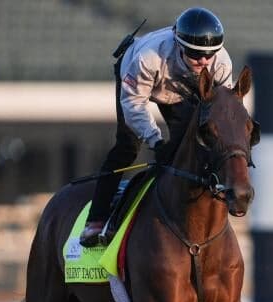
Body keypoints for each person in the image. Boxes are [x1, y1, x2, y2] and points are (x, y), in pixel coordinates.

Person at [80, 7, 233, 247]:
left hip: (178, 91)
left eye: (209, 54)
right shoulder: (147, 57)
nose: (203, 61)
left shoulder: (221, 63)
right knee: (128, 147)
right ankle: (96, 219)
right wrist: (155, 140)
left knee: (191, 146)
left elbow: (221, 109)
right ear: (179, 45)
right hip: (137, 84)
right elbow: (133, 105)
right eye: (194, 54)